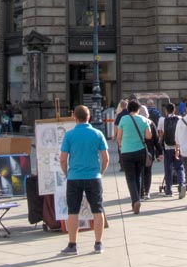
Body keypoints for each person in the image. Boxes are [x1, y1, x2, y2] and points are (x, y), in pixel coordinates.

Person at [58, 105, 109, 255]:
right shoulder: (97, 133)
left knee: (73, 211)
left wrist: (67, 173)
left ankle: (72, 245)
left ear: (75, 117)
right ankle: (98, 244)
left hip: (74, 177)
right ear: (89, 117)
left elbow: (62, 159)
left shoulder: (69, 135)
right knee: (97, 210)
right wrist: (101, 172)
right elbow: (105, 158)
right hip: (93, 177)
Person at [115, 99, 151, 214]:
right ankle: (136, 200)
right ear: (138, 109)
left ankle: (135, 200)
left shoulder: (124, 119)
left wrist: (120, 146)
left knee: (130, 178)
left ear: (128, 108)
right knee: (138, 176)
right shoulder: (144, 119)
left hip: (126, 152)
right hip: (140, 151)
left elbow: (119, 136)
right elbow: (149, 136)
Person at [157, 103, 185, 198]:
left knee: (168, 168)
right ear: (174, 110)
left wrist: (159, 146)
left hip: (167, 147)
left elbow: (161, 134)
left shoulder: (162, 120)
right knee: (179, 167)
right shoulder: (180, 119)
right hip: (178, 146)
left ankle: (169, 190)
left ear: (166, 110)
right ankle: (181, 185)